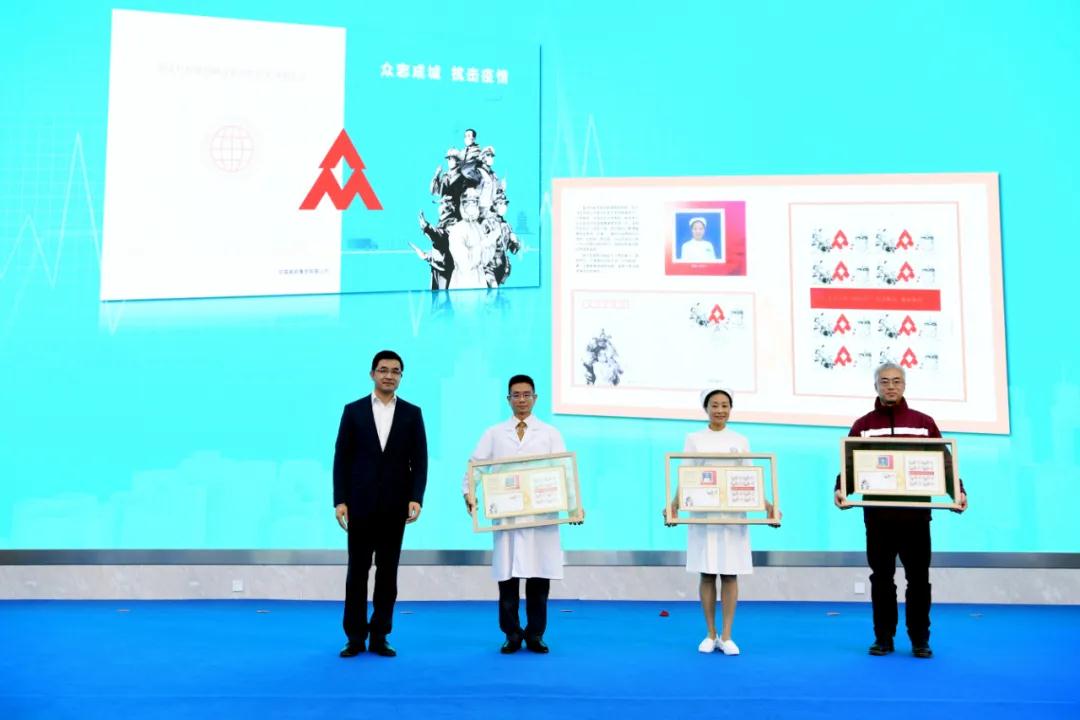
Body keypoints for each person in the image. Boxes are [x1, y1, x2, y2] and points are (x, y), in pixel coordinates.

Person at [834, 362, 967, 659]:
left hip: (916, 517)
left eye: (896, 381)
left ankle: (920, 640)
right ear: (876, 386)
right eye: (884, 381)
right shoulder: (863, 426)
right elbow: (850, 465)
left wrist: (957, 492)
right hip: (878, 518)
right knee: (881, 579)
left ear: (904, 385)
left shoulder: (923, 423)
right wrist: (841, 489)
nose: (890, 386)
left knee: (918, 580)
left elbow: (944, 463)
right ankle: (883, 638)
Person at [463, 374, 581, 654]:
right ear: (508, 399)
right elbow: (476, 465)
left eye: (527, 394)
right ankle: (512, 634)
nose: (522, 400)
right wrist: (469, 491)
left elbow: (564, 470)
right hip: (507, 516)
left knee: (539, 579)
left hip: (541, 517)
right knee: (508, 580)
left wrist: (574, 505)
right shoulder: (494, 433)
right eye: (516, 395)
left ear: (535, 398)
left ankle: (536, 634)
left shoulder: (550, 433)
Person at [666, 389, 779, 655]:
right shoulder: (694, 439)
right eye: (715, 405)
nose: (720, 410)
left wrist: (768, 507)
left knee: (730, 574)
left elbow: (751, 478)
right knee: (707, 573)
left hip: (733, 515)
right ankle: (710, 633)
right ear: (706, 408)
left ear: (731, 408)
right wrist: (673, 505)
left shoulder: (740, 440)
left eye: (725, 405)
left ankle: (726, 636)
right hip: (703, 515)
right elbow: (687, 475)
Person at [333, 350, 428, 658]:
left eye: (395, 371)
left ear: (401, 376)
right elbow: (342, 458)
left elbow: (420, 460)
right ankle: (355, 637)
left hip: (395, 505)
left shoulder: (412, 413)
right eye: (383, 369)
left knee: (388, 573)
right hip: (359, 504)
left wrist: (416, 497)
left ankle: (380, 636)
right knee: (357, 572)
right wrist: (340, 499)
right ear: (372, 373)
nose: (389, 375)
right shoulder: (353, 411)